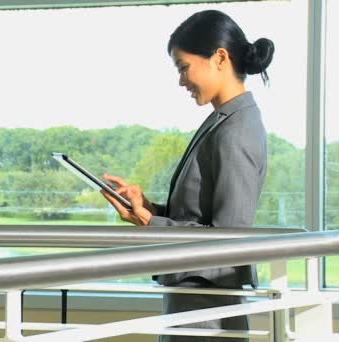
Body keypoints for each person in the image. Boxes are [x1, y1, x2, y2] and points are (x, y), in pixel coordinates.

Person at [100, 9, 274, 342]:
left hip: (208, 309)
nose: (181, 81)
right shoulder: (223, 121)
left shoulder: (237, 129)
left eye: (183, 68)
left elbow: (229, 237)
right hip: (194, 304)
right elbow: (197, 216)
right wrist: (149, 208)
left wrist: (151, 223)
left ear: (219, 58)